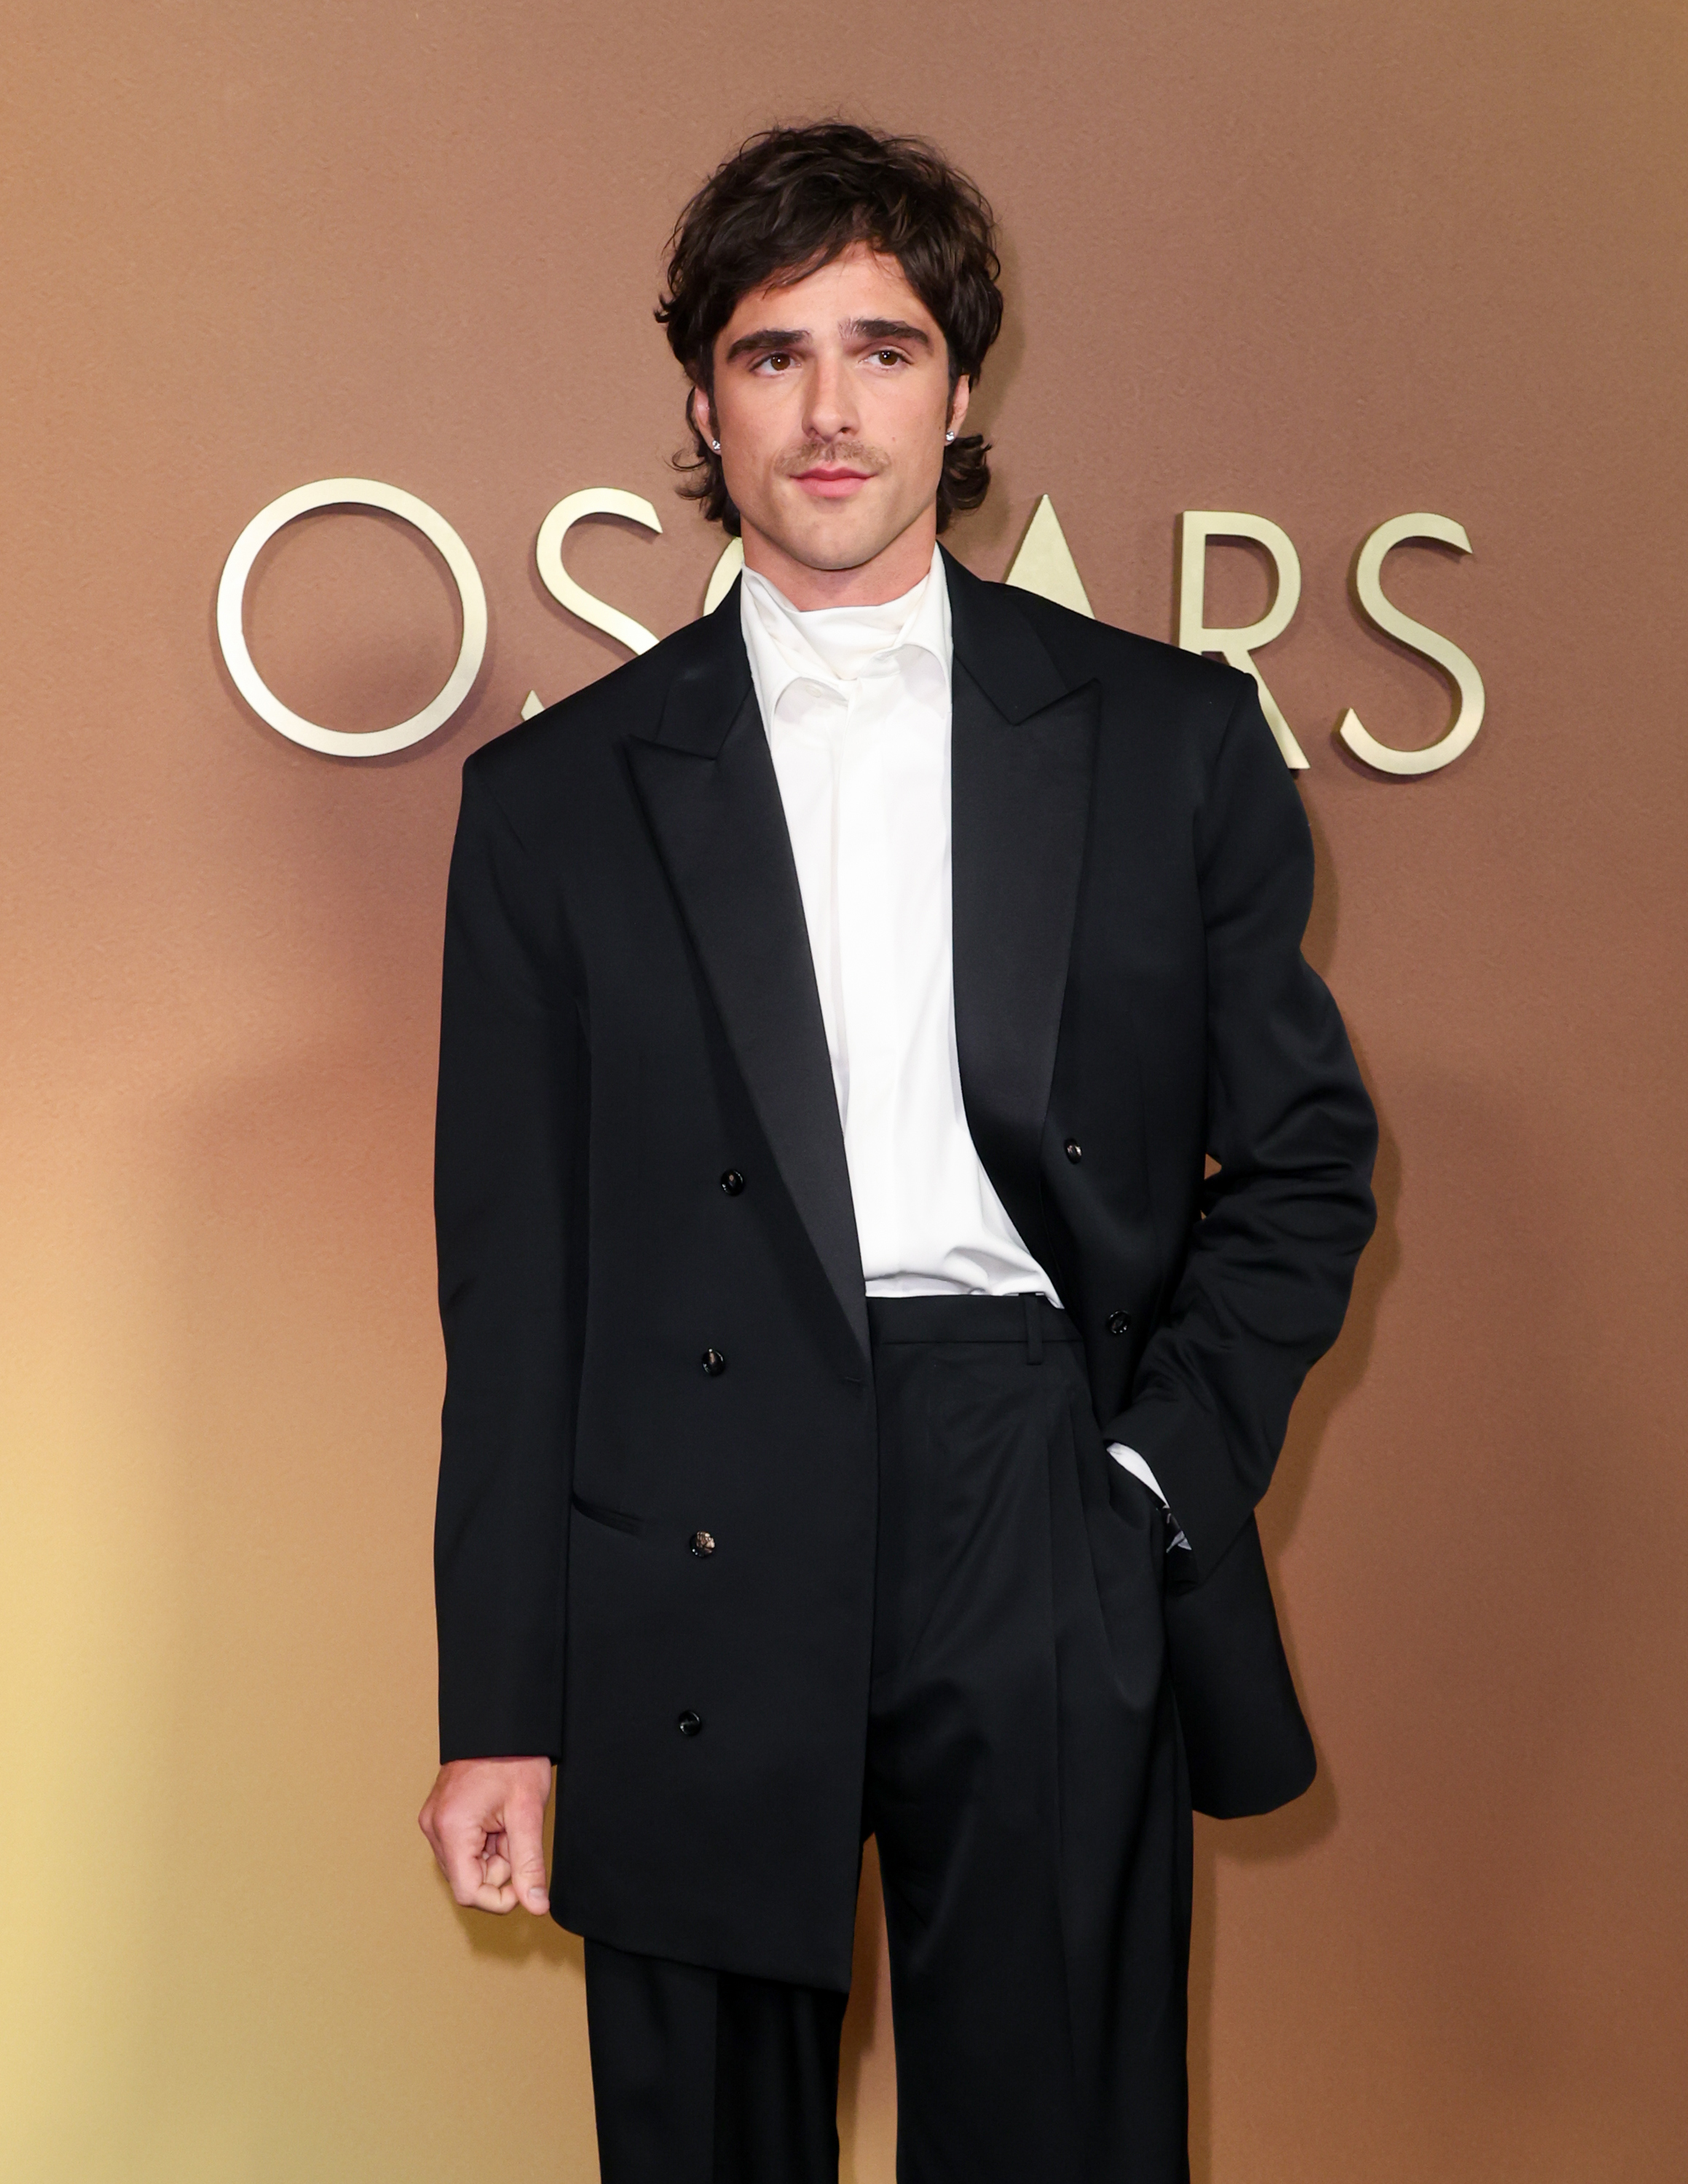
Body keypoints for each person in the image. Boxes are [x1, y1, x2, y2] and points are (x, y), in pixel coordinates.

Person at [418, 121, 1376, 2184]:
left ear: (961, 389)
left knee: (1059, 2139)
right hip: (678, 1514)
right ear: (702, 401)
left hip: (1031, 1488)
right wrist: (499, 1705)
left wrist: (1146, 1473)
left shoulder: (1164, 738)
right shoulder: (551, 803)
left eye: (883, 346)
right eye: (773, 356)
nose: (830, 408)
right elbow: (513, 1297)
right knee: (702, 2151)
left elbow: (1305, 1162)